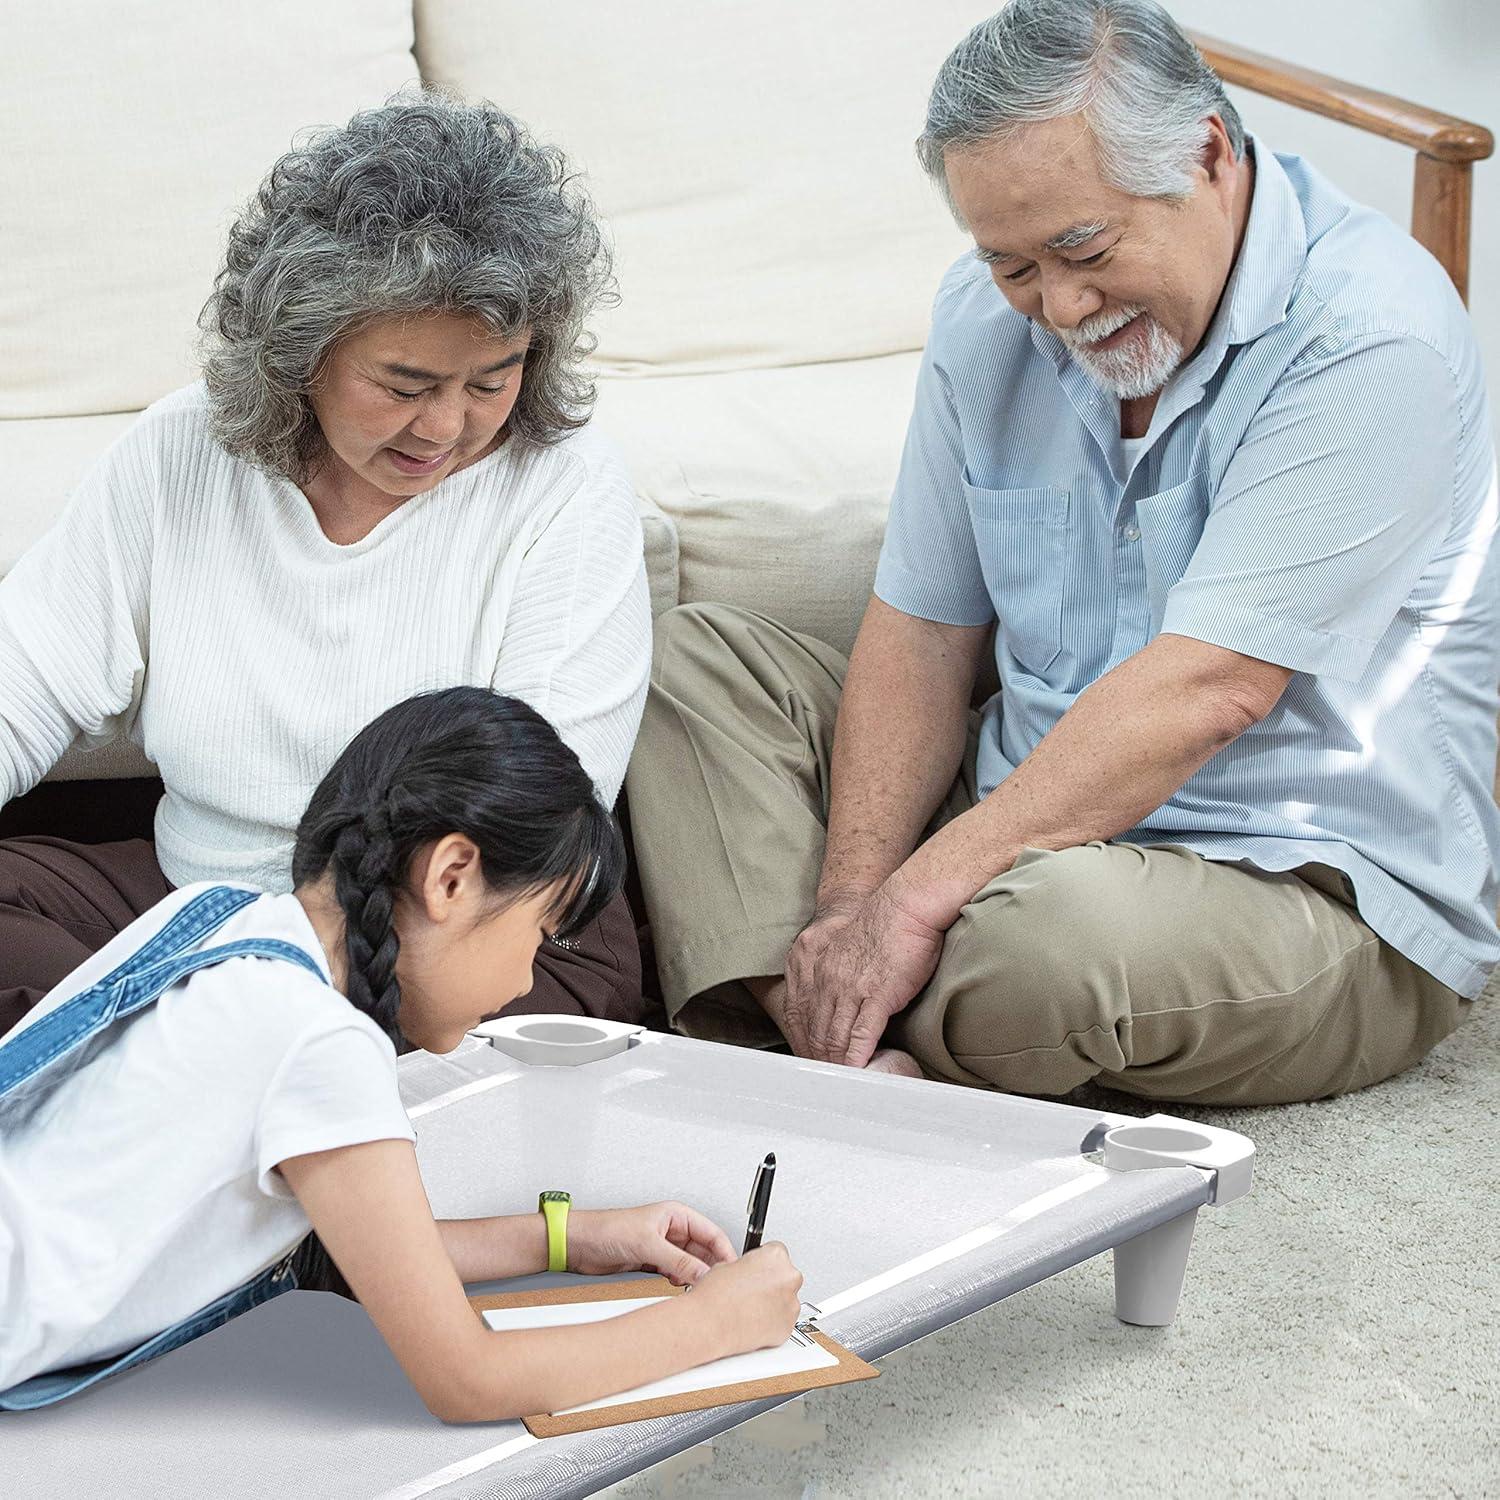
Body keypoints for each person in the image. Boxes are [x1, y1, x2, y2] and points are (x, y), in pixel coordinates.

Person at [625, 0, 1499, 1106]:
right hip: (1018, 813)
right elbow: (924, 628)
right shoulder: (984, 319)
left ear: (1209, 155)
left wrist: (912, 902)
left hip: (1295, 880)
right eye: (1012, 264)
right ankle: (836, 1017)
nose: (1062, 305)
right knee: (690, 661)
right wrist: (853, 904)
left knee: (1042, 946)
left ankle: (794, 1007)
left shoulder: (1367, 339)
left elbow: (1211, 690)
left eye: (1084, 248)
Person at [0, 92, 652, 1037]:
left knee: (433, 1039)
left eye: (492, 379)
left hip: (465, 940)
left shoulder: (567, 485)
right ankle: (194, 1054)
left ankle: (158, 1056)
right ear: (301, 353)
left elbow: (529, 824)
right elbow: (20, 676)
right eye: (405, 384)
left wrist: (297, 965)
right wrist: (253, 959)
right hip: (203, 907)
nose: (446, 426)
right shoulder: (180, 451)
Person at [0, 687, 803, 1416]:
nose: (529, 979)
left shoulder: (221, 919)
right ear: (452, 876)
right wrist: (715, 1322)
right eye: (542, 931)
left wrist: (572, 1237)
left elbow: (365, 1255)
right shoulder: (321, 1041)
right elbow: (467, 1378)